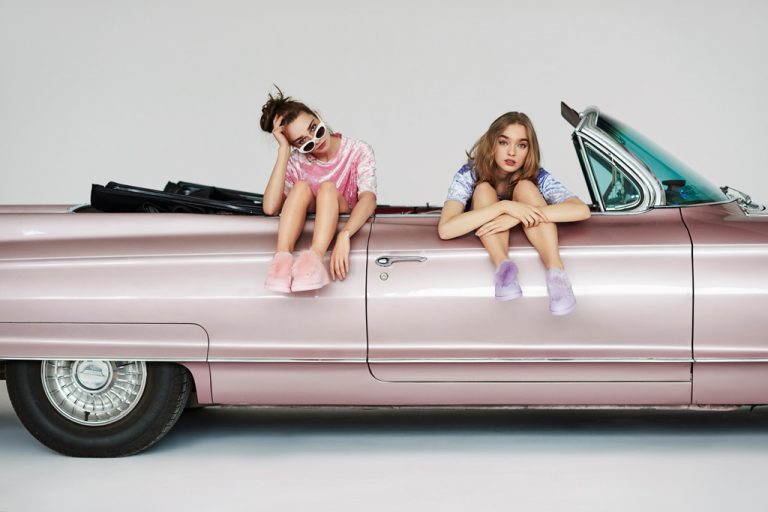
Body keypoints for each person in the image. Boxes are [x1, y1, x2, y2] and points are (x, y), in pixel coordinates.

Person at [437, 112, 590, 315]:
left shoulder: (537, 176)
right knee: (483, 189)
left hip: (531, 219)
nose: (512, 152)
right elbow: (446, 229)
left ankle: (557, 276)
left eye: (521, 145)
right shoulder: (469, 174)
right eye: (504, 142)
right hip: (491, 226)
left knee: (525, 187)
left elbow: (581, 209)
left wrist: (515, 216)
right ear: (492, 144)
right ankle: (504, 271)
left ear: (529, 150)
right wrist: (504, 207)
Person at [260, 89, 377, 292]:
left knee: (327, 188)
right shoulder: (296, 161)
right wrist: (284, 151)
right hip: (311, 210)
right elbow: (270, 208)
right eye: (303, 142)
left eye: (315, 128)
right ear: (296, 146)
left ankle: (314, 260)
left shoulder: (357, 150)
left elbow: (369, 199)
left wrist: (345, 235)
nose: (315, 140)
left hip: (344, 215)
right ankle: (281, 263)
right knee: (300, 187)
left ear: (318, 115)